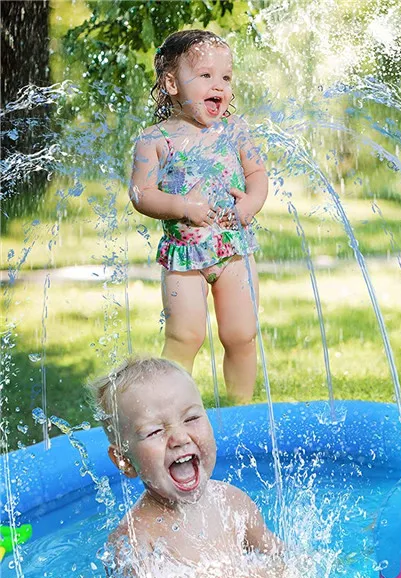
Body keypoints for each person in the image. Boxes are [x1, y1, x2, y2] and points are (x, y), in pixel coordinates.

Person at [95, 356, 337, 578]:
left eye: (192, 418)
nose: (180, 438)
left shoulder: (232, 501)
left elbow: (276, 553)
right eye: (154, 431)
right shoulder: (135, 539)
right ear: (124, 460)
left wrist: (316, 563)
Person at [129, 30, 268, 404]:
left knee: (241, 334)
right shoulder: (154, 139)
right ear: (172, 83)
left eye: (225, 77)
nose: (218, 85)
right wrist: (184, 208)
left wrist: (249, 206)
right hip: (184, 255)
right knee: (184, 336)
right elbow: (141, 194)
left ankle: (243, 410)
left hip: (234, 248)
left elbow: (257, 174)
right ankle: (171, 412)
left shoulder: (235, 130)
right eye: (205, 76)